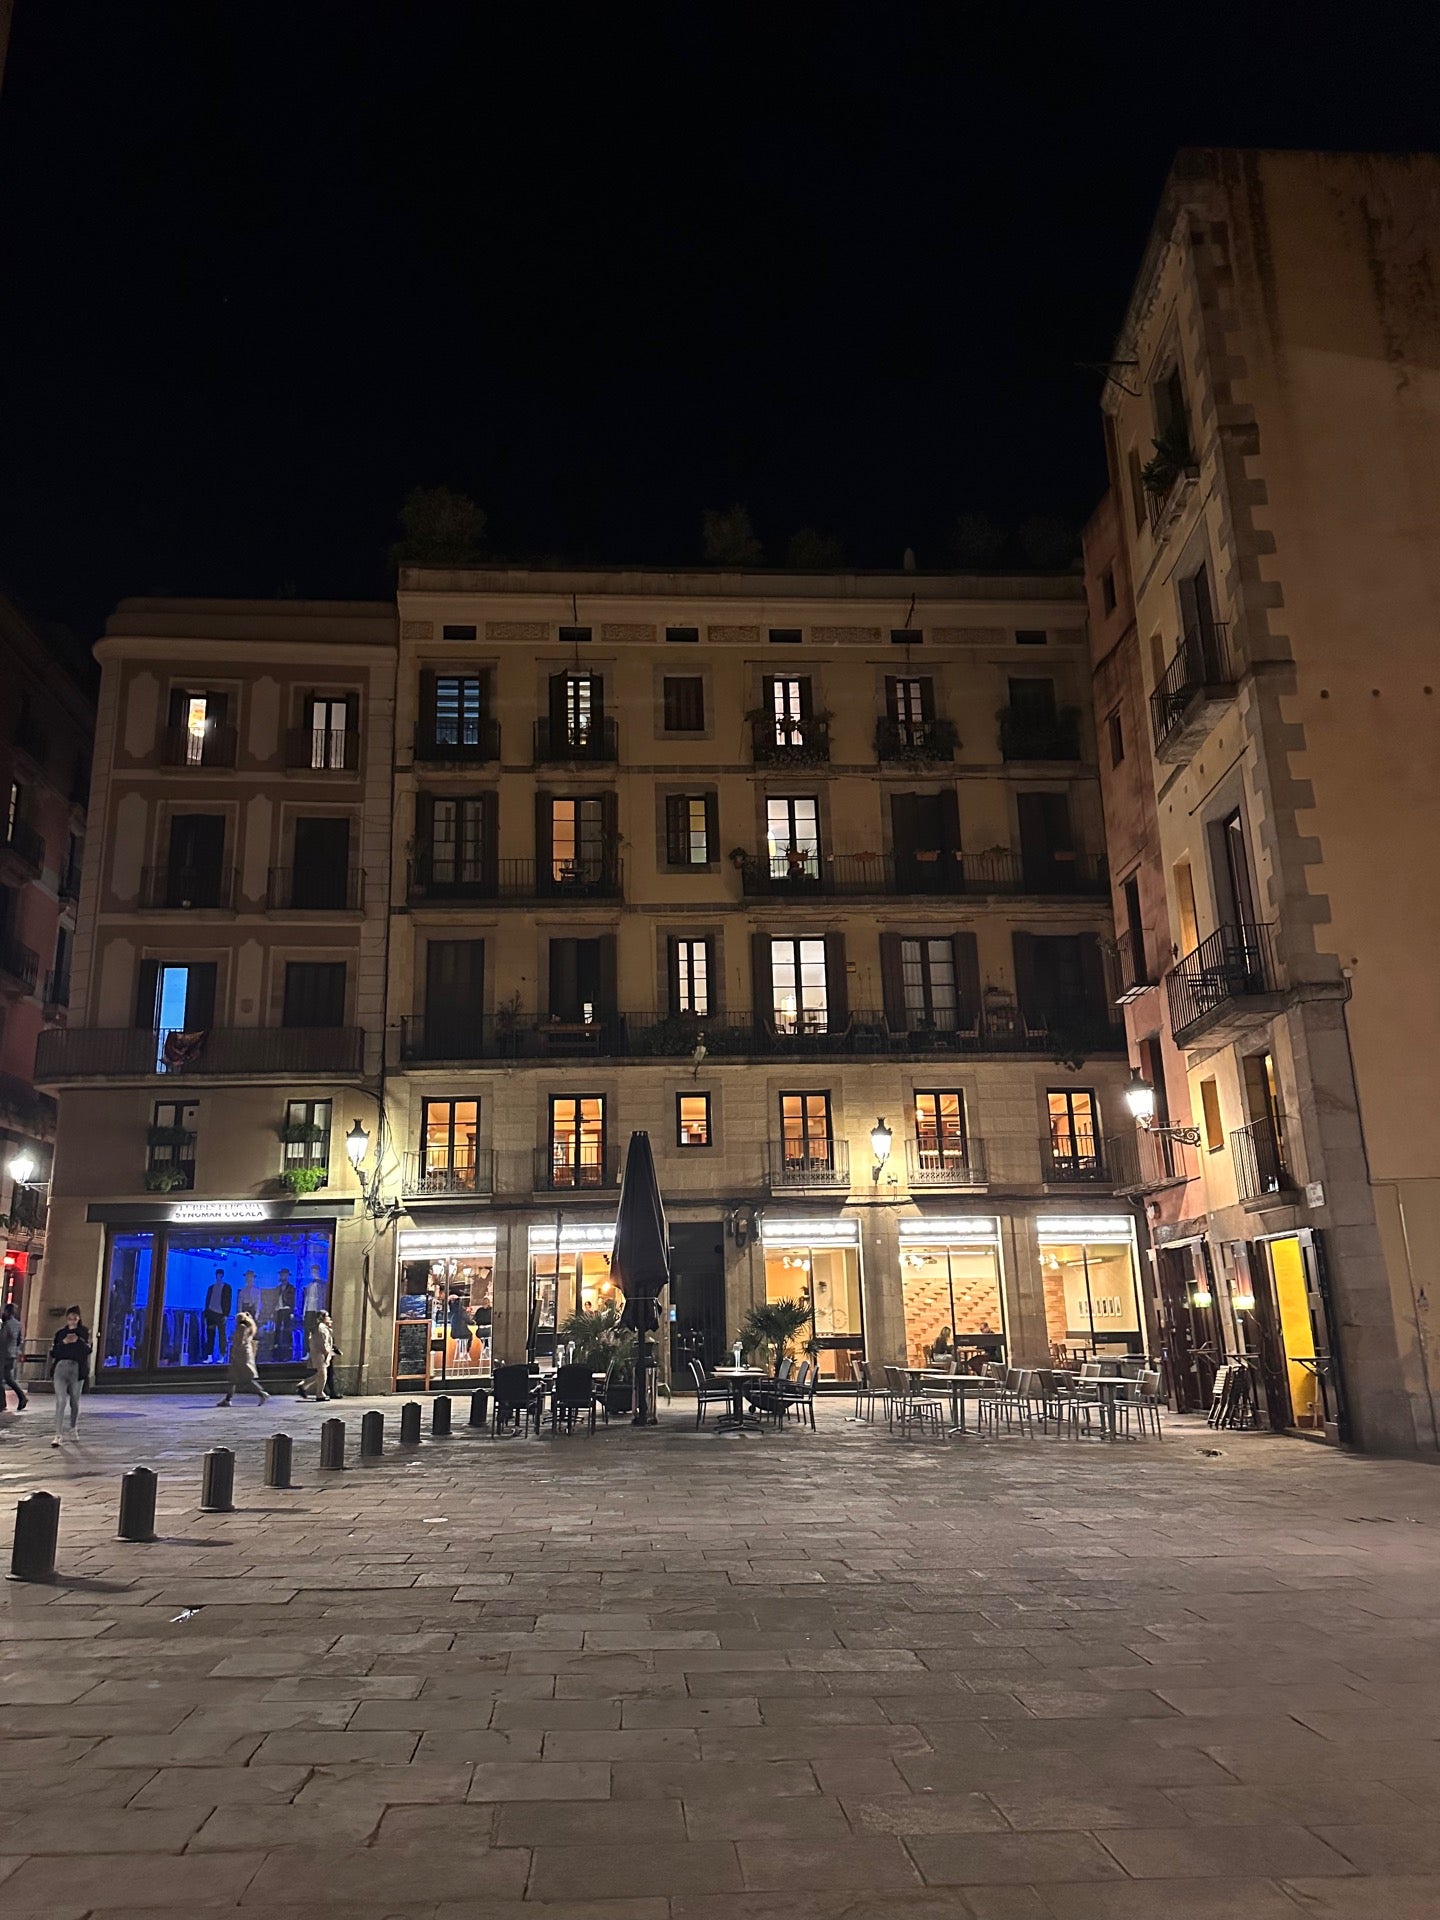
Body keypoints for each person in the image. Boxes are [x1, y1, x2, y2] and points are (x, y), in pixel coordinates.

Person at [49, 1306, 90, 1445]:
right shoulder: (61, 1333)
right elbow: (54, 1352)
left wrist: (78, 1340)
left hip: (77, 1369)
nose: (72, 1321)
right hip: (61, 1368)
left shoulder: (83, 1332)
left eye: (75, 1318)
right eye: (70, 1318)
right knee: (60, 1401)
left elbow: (87, 1350)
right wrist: (63, 1343)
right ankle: (58, 1434)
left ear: (79, 1319)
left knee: (74, 1401)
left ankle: (73, 1427)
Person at [217, 1310, 268, 1407]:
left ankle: (262, 1393)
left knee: (245, 1377)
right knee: (234, 1378)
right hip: (244, 1354)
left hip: (240, 1355)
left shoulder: (241, 1327)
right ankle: (228, 1399)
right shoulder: (249, 1328)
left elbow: (240, 1342)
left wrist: (234, 1352)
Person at [298, 1310, 336, 1399]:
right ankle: (319, 1393)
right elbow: (322, 1342)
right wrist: (326, 1352)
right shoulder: (321, 1328)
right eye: (327, 1316)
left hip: (319, 1353)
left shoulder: (321, 1327)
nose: (330, 1318)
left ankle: (304, 1385)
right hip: (320, 1353)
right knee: (323, 1373)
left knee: (320, 1373)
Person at [0, 1301, 27, 1411]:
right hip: (12, 1355)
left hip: (3, 1355)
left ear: (7, 1312)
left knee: (1, 1379)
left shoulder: (6, 1325)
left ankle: (2, 1403)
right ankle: (22, 1397)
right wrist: (16, 1350)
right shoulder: (18, 1324)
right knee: (8, 1378)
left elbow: (2, 1339)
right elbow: (20, 1340)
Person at [203, 1270, 231, 1362]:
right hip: (211, 1313)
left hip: (221, 1314)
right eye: (217, 1275)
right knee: (210, 1335)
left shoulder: (227, 1287)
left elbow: (228, 1301)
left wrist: (226, 1314)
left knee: (221, 1335)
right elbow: (207, 1300)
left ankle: (222, 1356)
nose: (218, 1276)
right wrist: (206, 1313)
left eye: (220, 1275)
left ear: (222, 1275)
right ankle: (209, 1356)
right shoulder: (211, 1287)